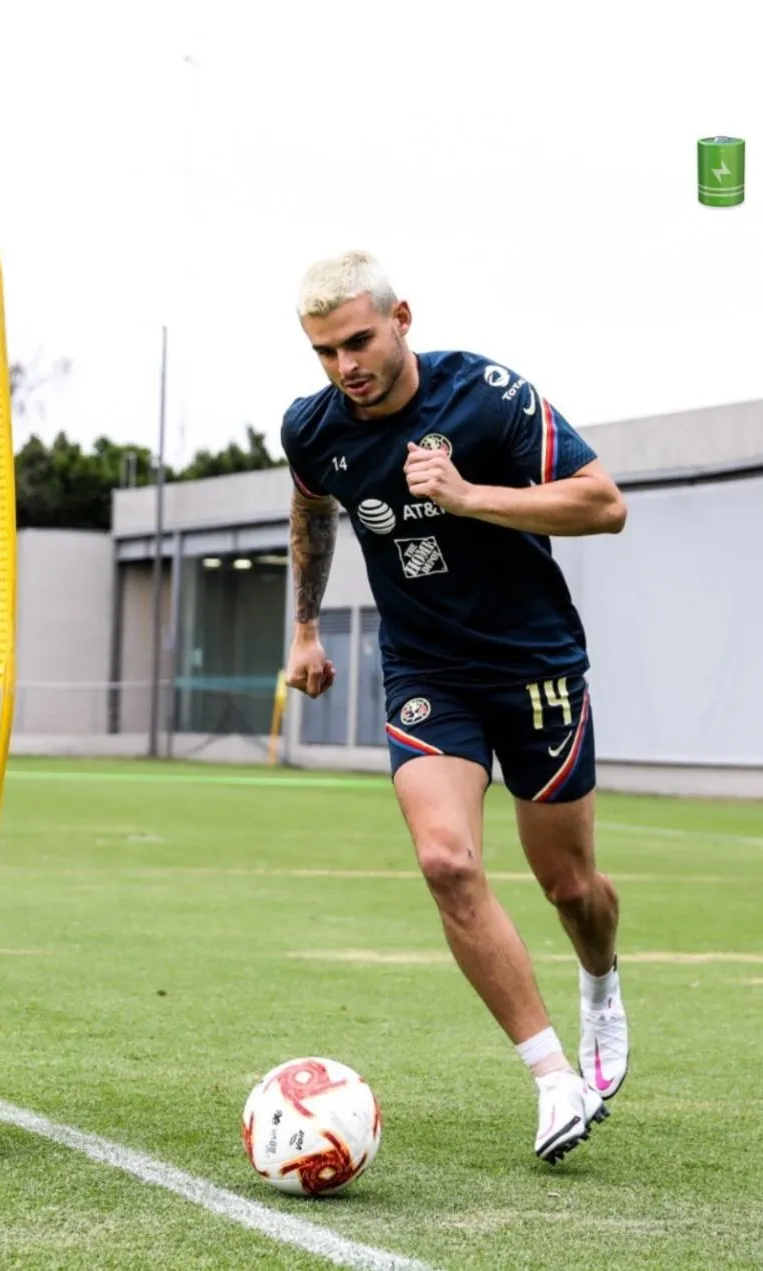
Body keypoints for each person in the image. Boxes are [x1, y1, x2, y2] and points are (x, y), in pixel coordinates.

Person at [279, 249, 629, 1166]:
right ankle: (554, 1077)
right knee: (445, 860)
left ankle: (599, 985)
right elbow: (311, 506)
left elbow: (603, 504)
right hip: (428, 670)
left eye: (357, 339)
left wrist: (470, 496)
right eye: (324, 351)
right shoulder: (314, 429)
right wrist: (306, 626)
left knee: (572, 888)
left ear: (401, 319)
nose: (345, 364)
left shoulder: (487, 396)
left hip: (535, 664)